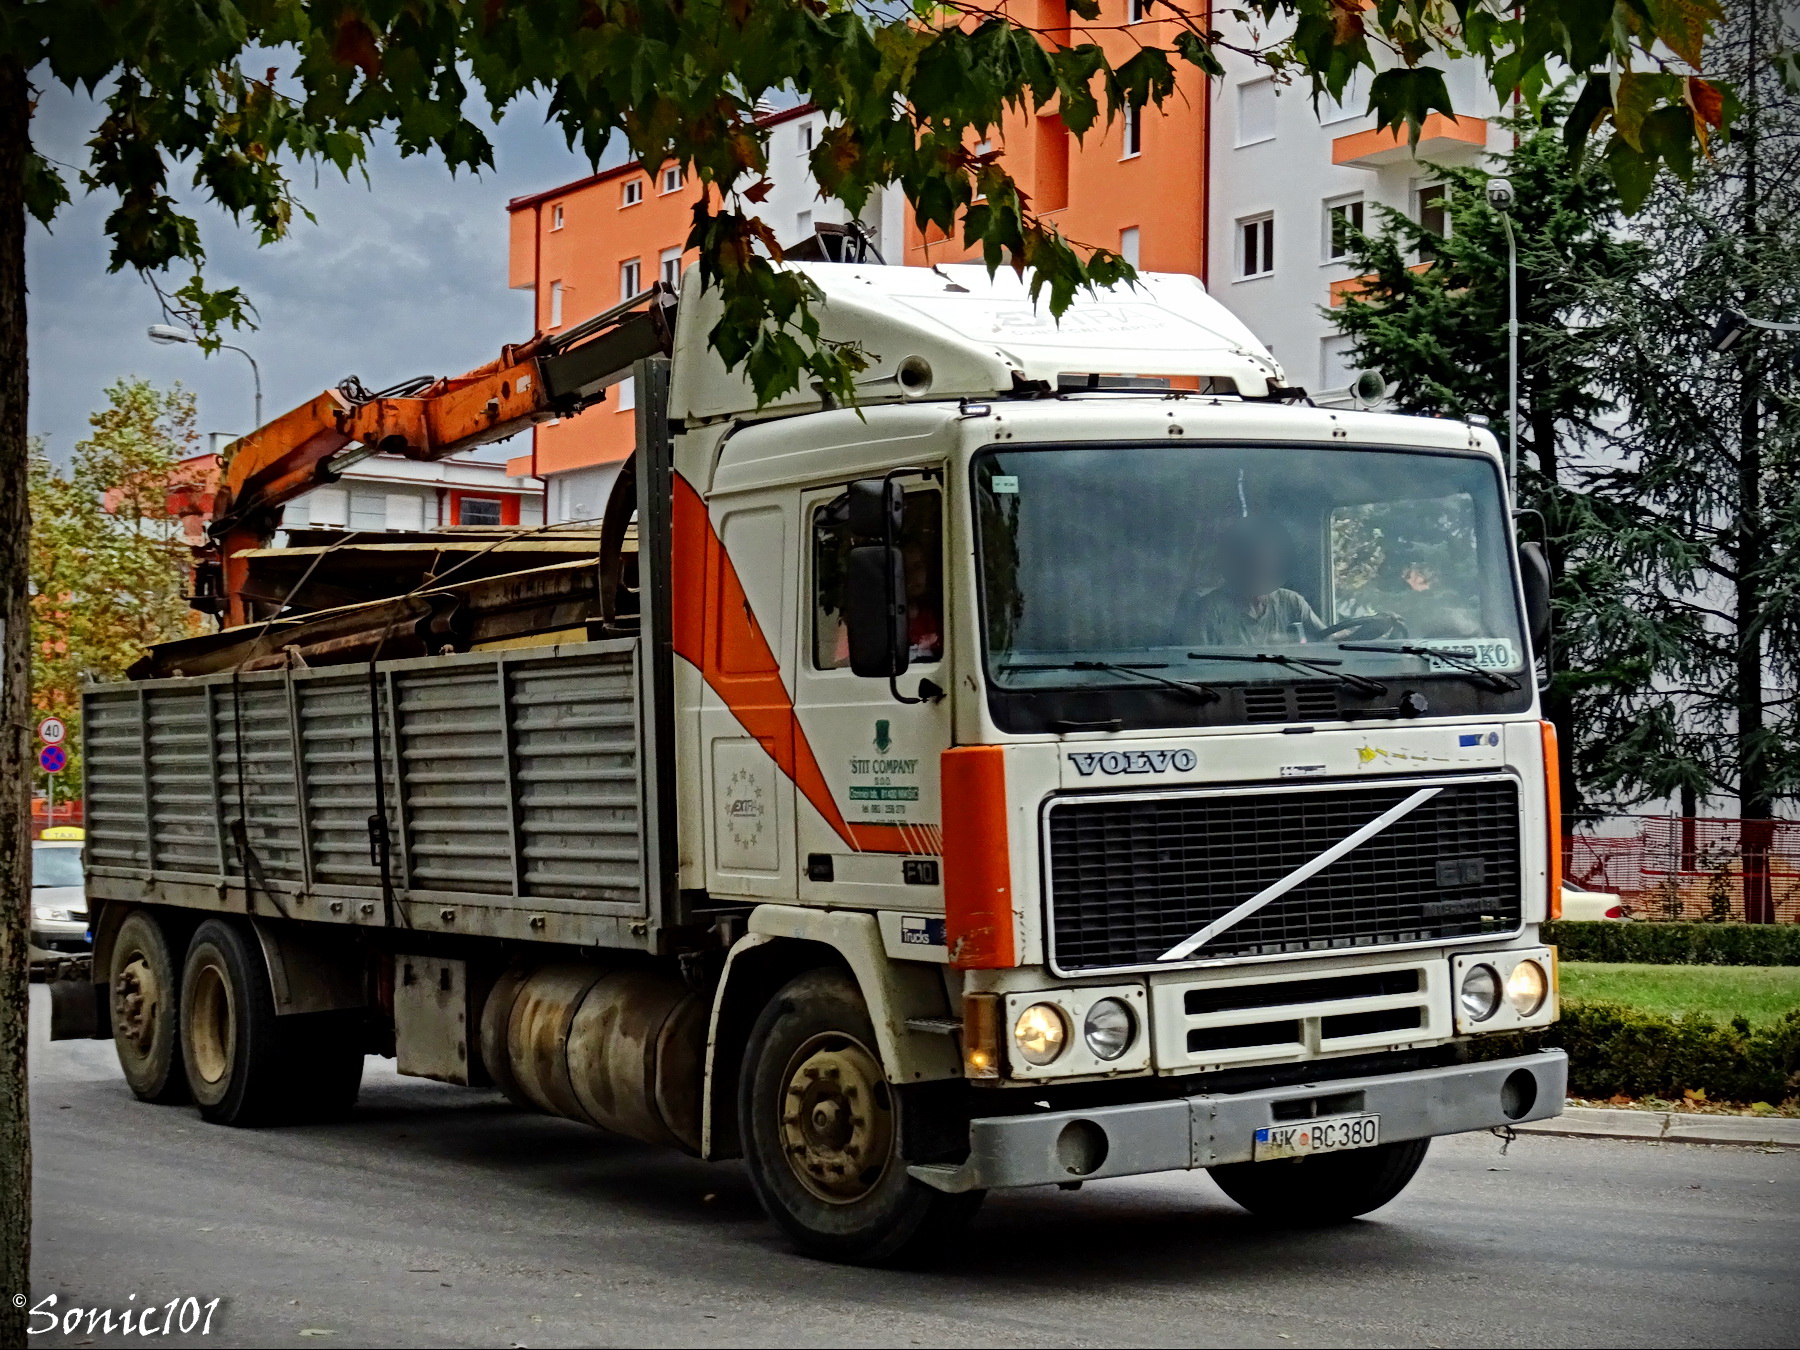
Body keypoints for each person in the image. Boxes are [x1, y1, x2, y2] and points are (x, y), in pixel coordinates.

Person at [1180, 517, 1328, 647]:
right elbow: (1196, 664)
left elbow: (1327, 638)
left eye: (1267, 564)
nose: (1261, 570)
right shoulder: (1209, 610)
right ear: (1238, 565)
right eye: (1254, 563)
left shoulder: (1291, 602)